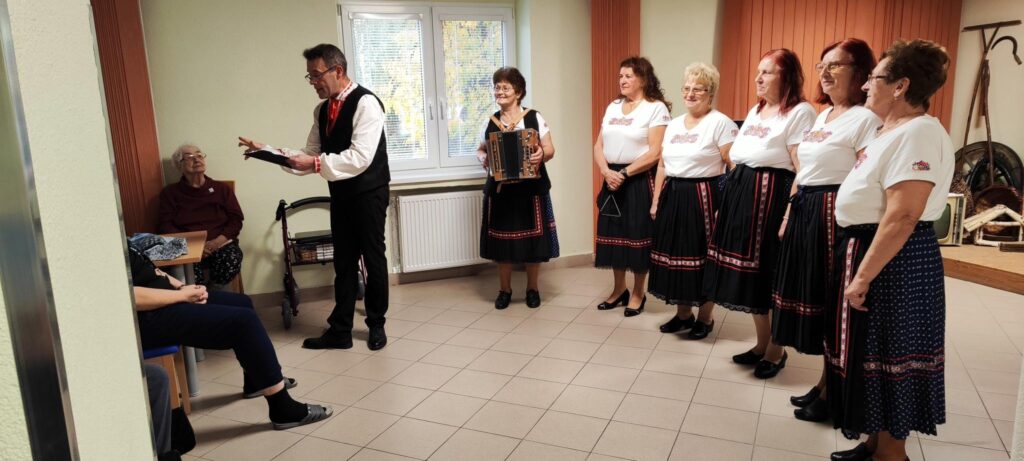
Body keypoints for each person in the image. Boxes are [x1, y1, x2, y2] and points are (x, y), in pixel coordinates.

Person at [827, 39, 952, 461]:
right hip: (872, 250)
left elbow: (903, 216)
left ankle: (891, 453)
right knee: (871, 356)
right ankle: (874, 444)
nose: (865, 86)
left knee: (888, 355)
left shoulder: (919, 133)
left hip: (896, 262)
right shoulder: (891, 130)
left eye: (874, 78)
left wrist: (863, 276)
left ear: (900, 86)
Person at [238, 43, 389, 351]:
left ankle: (376, 324)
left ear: (338, 70)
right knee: (343, 262)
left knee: (373, 258)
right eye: (309, 76)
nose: (313, 82)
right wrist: (268, 151)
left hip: (369, 193)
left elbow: (360, 158)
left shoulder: (367, 103)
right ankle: (341, 330)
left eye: (317, 75)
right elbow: (309, 154)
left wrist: (316, 163)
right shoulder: (321, 111)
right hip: (341, 194)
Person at [768, 39, 879, 422]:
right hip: (806, 208)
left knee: (832, 301)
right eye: (822, 65)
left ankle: (834, 390)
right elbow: (805, 171)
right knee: (814, 295)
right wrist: (788, 214)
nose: (826, 72)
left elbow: (864, 177)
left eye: (836, 65)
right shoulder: (823, 115)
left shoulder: (865, 119)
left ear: (860, 71)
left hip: (834, 211)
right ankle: (823, 382)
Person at [129, 245, 332, 430]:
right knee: (244, 322)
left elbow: (151, 270)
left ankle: (256, 381)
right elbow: (129, 295)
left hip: (166, 299)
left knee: (242, 303)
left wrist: (184, 288)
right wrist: (183, 296)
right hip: (145, 318)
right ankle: (282, 409)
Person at [702, 49, 816, 378]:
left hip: (771, 197)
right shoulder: (757, 109)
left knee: (768, 274)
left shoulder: (800, 112)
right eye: (758, 71)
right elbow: (741, 156)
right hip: (743, 193)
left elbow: (803, 168)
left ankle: (776, 350)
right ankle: (762, 343)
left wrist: (789, 214)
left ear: (787, 76)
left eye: (767, 72)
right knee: (749, 279)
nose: (758, 78)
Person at [649, 62, 736, 339]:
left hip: (704, 195)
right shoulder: (674, 124)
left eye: (698, 89)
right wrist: (656, 199)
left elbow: (733, 166)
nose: (690, 94)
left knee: (701, 257)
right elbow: (662, 164)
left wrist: (728, 205)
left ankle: (705, 318)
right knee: (677, 256)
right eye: (686, 88)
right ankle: (683, 314)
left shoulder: (721, 123)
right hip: (673, 193)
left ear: (711, 93)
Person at [593, 56, 671, 317]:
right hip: (611, 178)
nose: (622, 80)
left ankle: (638, 293)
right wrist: (606, 171)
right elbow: (598, 145)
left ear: (643, 79)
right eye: (620, 76)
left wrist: (624, 173)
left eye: (628, 76)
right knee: (613, 237)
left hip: (637, 178)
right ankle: (619, 290)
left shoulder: (655, 108)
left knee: (637, 238)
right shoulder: (613, 106)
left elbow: (656, 152)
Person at [475, 67, 558, 309]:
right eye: (497, 87)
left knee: (534, 242)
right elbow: (481, 149)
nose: (499, 92)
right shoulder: (490, 122)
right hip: (501, 191)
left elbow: (550, 149)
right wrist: (482, 157)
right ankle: (505, 290)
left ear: (518, 92)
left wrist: (541, 154)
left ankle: (533, 289)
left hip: (531, 190)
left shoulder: (534, 118)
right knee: (503, 244)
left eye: (505, 88)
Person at [158, 144, 244, 287]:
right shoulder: (170, 193)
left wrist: (216, 243)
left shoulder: (222, 189)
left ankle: (214, 292)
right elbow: (165, 225)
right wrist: (194, 247)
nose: (197, 159)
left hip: (220, 244)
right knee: (186, 274)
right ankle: (198, 295)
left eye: (199, 155)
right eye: (189, 157)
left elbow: (236, 220)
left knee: (230, 260)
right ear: (179, 166)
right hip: (187, 246)